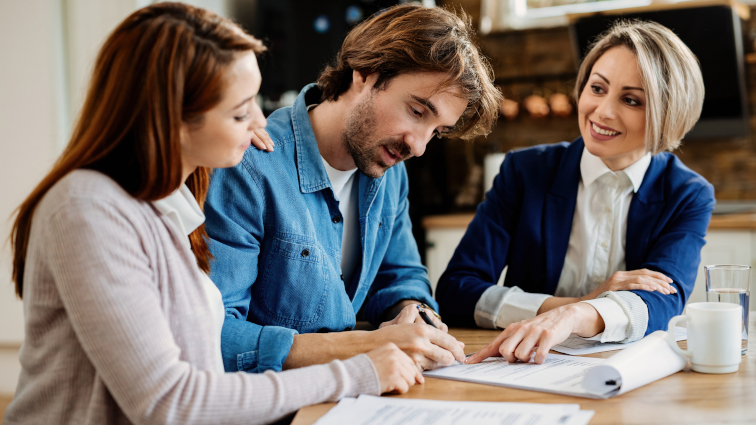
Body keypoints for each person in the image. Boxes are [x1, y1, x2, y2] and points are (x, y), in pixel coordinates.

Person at [4, 4, 423, 424]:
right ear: (172, 118)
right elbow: (168, 402)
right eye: (240, 111)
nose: (261, 122)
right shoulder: (87, 210)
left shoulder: (167, 205)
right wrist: (352, 374)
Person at [204, 4, 502, 374]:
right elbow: (214, 337)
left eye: (436, 132)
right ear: (365, 73)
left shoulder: (389, 171)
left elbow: (400, 276)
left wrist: (413, 311)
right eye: (417, 111)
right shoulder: (248, 166)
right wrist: (365, 345)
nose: (419, 146)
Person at [435, 20, 715, 365]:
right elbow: (457, 291)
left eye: (631, 100)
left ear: (668, 114)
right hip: (523, 363)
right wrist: (569, 306)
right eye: (597, 88)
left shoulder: (687, 194)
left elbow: (662, 304)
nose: (602, 111)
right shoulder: (525, 172)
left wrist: (576, 317)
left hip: (625, 375)